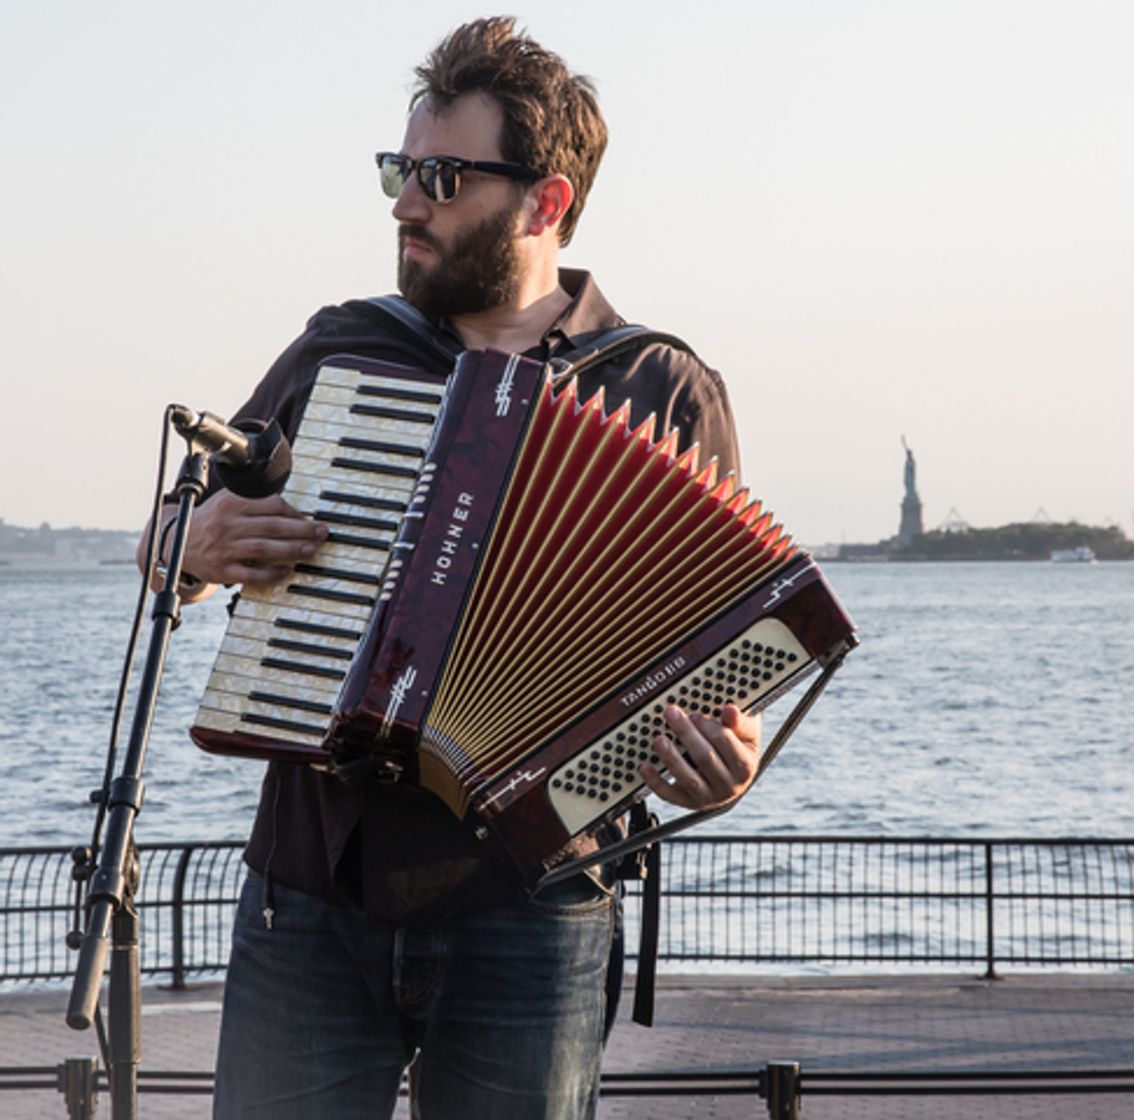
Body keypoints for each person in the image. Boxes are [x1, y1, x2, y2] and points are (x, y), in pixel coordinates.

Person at [140, 18, 759, 1119]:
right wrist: (186, 552)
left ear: (545, 201)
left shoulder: (658, 385)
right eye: (399, 169)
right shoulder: (345, 348)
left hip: (536, 902)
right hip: (313, 890)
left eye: (439, 176)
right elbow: (178, 537)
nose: (403, 203)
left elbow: (716, 655)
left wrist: (726, 759)